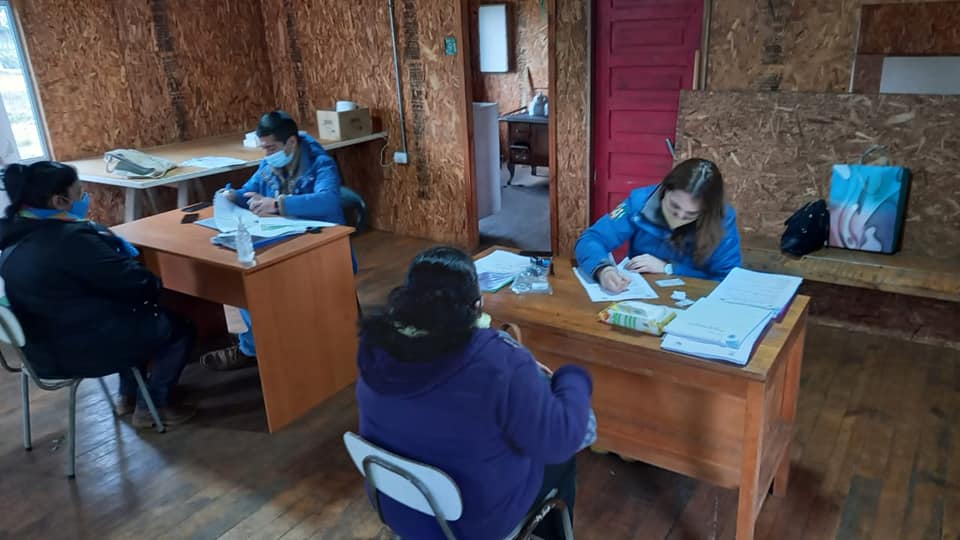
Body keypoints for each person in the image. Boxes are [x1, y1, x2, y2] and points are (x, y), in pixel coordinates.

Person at [356, 246, 593, 540]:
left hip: (396, 507)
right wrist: (572, 377)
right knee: (559, 457)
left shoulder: (375, 347)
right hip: (474, 526)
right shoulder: (498, 361)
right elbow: (561, 440)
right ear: (478, 306)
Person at [0, 162, 194, 427]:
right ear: (59, 201)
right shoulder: (70, 239)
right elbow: (136, 283)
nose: (84, 198)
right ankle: (154, 405)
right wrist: (149, 278)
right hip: (80, 349)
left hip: (42, 349)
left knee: (127, 314)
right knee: (179, 328)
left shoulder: (14, 233)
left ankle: (128, 396)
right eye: (79, 193)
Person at [201, 110, 350, 371]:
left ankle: (264, 349)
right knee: (246, 282)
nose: (267, 154)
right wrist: (233, 195)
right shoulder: (269, 164)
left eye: (271, 148)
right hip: (283, 240)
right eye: (264, 149)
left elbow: (327, 201)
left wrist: (278, 204)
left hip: (322, 248)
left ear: (291, 142)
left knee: (260, 285)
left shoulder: (321, 164)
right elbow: (250, 190)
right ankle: (258, 347)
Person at [576, 158, 742, 292]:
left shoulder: (722, 220)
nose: (679, 217)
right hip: (641, 296)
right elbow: (592, 239)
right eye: (674, 206)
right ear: (664, 190)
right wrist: (603, 270)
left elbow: (728, 279)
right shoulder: (639, 203)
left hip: (694, 302)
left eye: (691, 214)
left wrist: (670, 269)